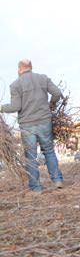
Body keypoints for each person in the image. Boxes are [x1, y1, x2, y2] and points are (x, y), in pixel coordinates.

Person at [0, 59, 64, 192]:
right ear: (31, 67)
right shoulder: (43, 78)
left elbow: (15, 107)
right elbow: (57, 93)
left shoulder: (15, 85)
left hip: (27, 124)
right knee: (49, 151)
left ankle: (36, 186)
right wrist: (51, 104)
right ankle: (57, 180)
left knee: (31, 156)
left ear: (19, 69)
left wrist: (2, 108)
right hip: (44, 120)